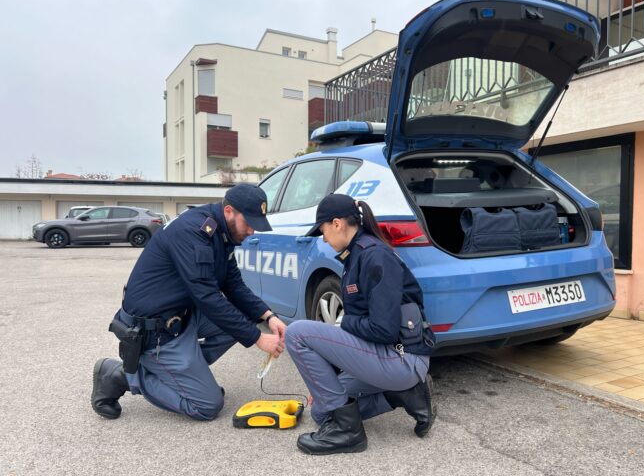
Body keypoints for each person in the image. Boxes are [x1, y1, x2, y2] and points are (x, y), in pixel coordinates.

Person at [90, 184, 286, 421]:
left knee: (242, 321)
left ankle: (187, 376)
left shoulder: (222, 234)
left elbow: (233, 285)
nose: (252, 232)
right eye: (249, 223)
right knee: (207, 406)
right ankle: (120, 374)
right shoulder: (195, 232)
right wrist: (258, 338)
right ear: (229, 211)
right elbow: (207, 297)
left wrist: (268, 316)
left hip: (182, 315)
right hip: (155, 331)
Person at [286, 193, 436, 455]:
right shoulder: (355, 255)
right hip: (387, 358)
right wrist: (328, 379)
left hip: (403, 359)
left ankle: (349, 434)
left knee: (296, 333)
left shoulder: (375, 256)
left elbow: (383, 329)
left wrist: (345, 324)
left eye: (322, 230)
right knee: (323, 412)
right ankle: (402, 395)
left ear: (337, 224)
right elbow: (362, 335)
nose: (323, 238)